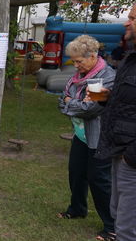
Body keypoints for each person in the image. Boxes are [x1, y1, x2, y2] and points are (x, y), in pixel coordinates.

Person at [57, 35, 115, 241]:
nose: (76, 65)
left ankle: (112, 225)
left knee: (99, 180)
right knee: (76, 173)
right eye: (74, 61)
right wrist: (72, 102)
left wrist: (69, 102)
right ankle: (77, 209)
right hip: (80, 136)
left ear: (92, 56)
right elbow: (61, 99)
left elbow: (91, 109)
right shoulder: (76, 77)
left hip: (99, 137)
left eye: (79, 61)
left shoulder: (105, 76)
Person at [94, 3, 136, 241]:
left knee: (128, 229)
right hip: (119, 150)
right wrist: (106, 99)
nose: (126, 22)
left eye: (132, 18)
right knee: (120, 217)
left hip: (131, 157)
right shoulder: (130, 59)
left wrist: (131, 155)